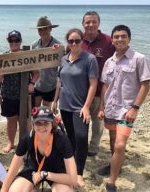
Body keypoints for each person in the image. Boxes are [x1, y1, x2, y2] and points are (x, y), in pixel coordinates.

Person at [98, 25, 150, 192]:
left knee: (120, 145)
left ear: (129, 39)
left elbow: (145, 84)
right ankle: (115, 165)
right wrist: (102, 107)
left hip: (126, 110)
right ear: (112, 40)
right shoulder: (109, 61)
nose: (119, 39)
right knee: (113, 139)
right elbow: (105, 86)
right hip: (111, 108)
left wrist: (135, 108)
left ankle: (112, 181)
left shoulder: (138, 58)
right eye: (116, 37)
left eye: (123, 36)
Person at [52, 28, 99, 187]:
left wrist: (86, 107)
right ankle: (70, 168)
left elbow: (93, 85)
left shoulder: (90, 59)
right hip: (64, 105)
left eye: (77, 40)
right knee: (70, 137)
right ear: (67, 42)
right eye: (70, 41)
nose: (74, 43)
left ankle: (79, 173)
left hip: (80, 107)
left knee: (81, 137)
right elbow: (60, 82)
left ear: (82, 41)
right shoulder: (64, 59)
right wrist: (55, 101)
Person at [1, 106, 78, 192]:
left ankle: (36, 185)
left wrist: (44, 174)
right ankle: (34, 186)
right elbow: (11, 172)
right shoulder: (27, 139)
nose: (42, 127)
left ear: (52, 124)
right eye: (38, 123)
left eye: (46, 123)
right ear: (33, 125)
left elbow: (73, 179)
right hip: (33, 169)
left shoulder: (62, 140)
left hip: (57, 172)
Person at [0, 30, 39, 153]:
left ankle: (25, 142)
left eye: (16, 40)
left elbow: (36, 73)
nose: (14, 43)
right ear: (8, 41)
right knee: (11, 120)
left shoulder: (27, 56)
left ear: (20, 41)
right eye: (11, 40)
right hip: (8, 94)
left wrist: (32, 83)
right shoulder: (4, 57)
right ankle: (10, 143)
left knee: (25, 120)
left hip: (24, 95)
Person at [81, 11, 115, 157]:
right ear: (83, 24)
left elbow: (119, 58)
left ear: (98, 23)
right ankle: (81, 143)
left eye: (94, 21)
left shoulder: (108, 41)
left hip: (101, 90)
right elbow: (66, 57)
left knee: (97, 121)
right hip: (81, 91)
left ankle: (94, 146)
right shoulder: (77, 40)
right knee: (82, 120)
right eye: (87, 22)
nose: (90, 25)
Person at [32, 16, 61, 108]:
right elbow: (31, 64)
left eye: (45, 29)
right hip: (37, 85)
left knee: (46, 113)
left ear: (50, 29)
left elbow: (64, 65)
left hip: (50, 86)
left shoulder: (58, 45)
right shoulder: (34, 45)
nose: (42, 32)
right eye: (40, 30)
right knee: (35, 111)